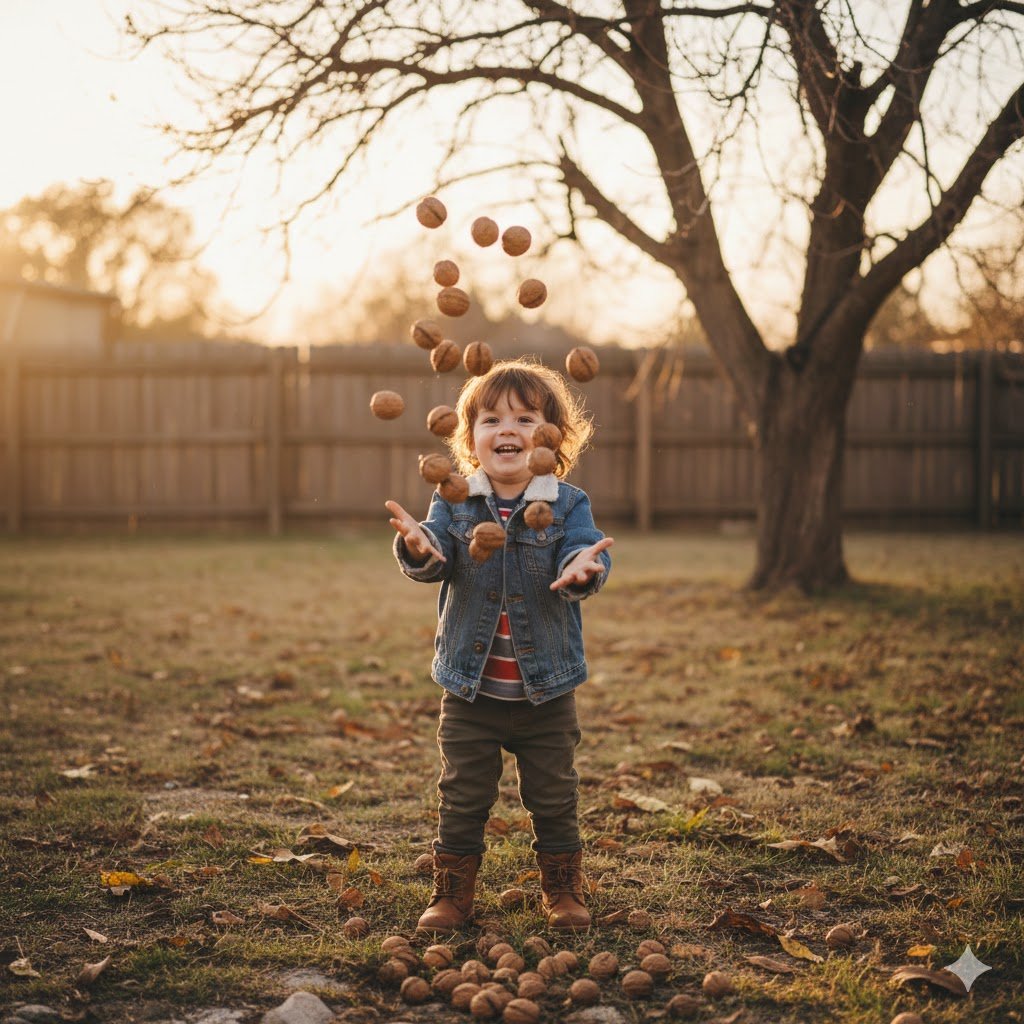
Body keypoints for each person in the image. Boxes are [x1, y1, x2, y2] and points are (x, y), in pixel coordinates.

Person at [385, 357, 613, 932]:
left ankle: (562, 889)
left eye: (526, 417)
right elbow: (435, 553)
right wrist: (417, 546)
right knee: (462, 796)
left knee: (554, 796)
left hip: (547, 694)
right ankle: (452, 894)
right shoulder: (455, 500)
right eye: (490, 419)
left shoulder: (567, 503)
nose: (506, 429)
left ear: (552, 437)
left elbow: (581, 549)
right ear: (470, 440)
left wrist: (585, 568)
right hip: (470, 691)